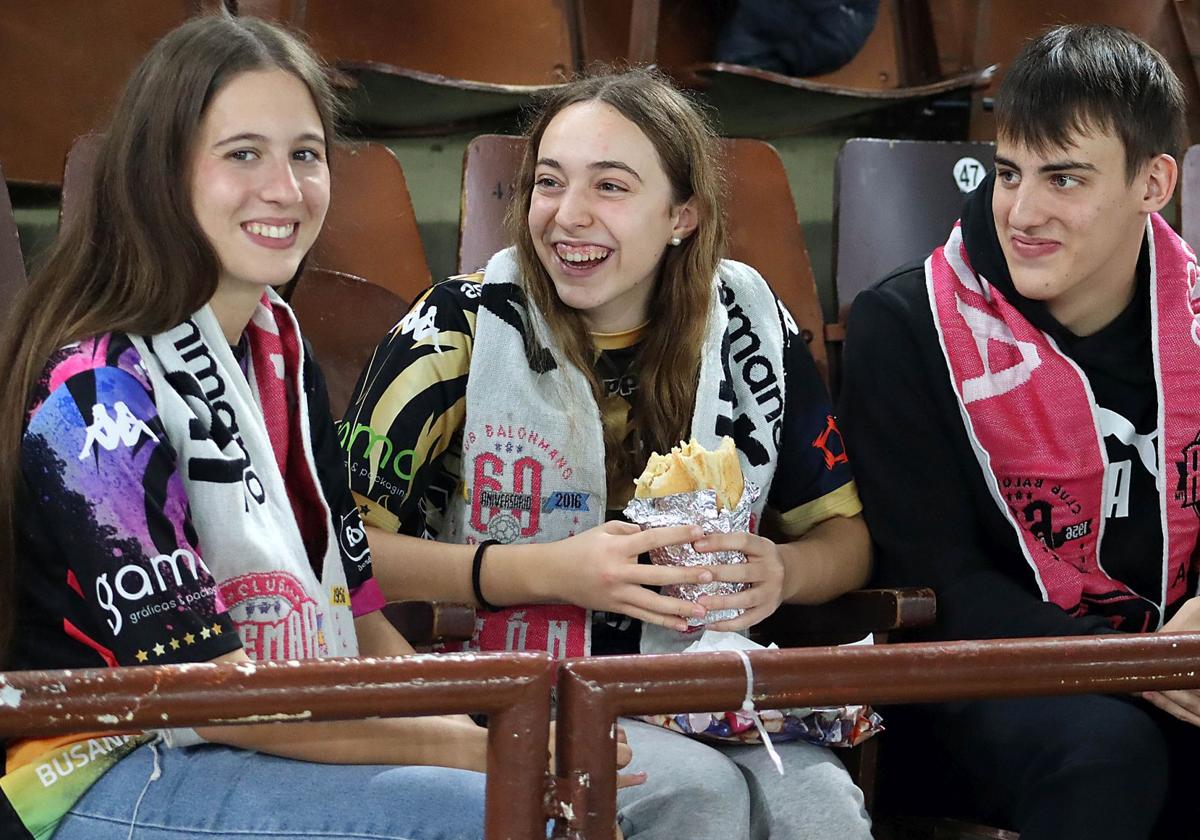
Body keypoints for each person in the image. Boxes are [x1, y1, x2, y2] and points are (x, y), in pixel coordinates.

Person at [0, 15, 567, 840]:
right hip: (99, 765)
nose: (286, 188)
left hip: (251, 737)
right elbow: (214, 697)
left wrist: (483, 734)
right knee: (484, 813)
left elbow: (362, 616)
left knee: (544, 798)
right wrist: (474, 751)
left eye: (305, 154)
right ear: (163, 173)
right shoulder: (95, 395)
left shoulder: (278, 349)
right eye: (243, 154)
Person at [341, 67, 874, 840]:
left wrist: (785, 571)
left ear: (681, 214)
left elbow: (847, 542)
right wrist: (539, 572)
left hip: (708, 680)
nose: (568, 216)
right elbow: (333, 555)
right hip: (517, 691)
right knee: (700, 799)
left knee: (819, 808)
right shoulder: (455, 329)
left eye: (611, 187)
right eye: (549, 183)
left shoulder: (752, 326)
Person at [838, 24, 1199, 840]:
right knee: (1108, 753)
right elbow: (937, 582)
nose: (1024, 213)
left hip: (1172, 670)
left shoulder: (1198, 321)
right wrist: (1138, 669)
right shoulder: (904, 324)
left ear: (1155, 182)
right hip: (974, 683)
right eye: (1009, 173)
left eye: (1064, 178)